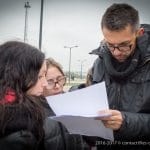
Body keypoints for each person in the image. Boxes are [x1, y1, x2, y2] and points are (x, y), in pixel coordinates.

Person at [0, 41, 86, 150]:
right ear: (18, 76)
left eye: (60, 79)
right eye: (40, 77)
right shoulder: (22, 124)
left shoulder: (71, 104)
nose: (45, 83)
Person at [90, 3, 150, 149]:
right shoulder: (99, 63)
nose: (116, 52)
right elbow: (90, 92)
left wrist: (125, 121)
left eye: (124, 45)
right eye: (110, 44)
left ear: (139, 33)